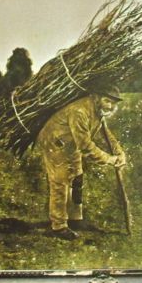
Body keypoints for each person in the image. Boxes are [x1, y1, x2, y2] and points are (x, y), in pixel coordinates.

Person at [35, 82, 126, 239]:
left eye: (113, 103)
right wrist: (109, 159)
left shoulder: (98, 111)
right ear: (96, 98)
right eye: (107, 101)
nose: (110, 106)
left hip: (72, 144)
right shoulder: (79, 112)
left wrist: (120, 152)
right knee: (60, 181)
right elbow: (85, 146)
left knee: (77, 178)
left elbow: (106, 135)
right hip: (55, 143)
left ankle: (75, 219)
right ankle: (58, 226)